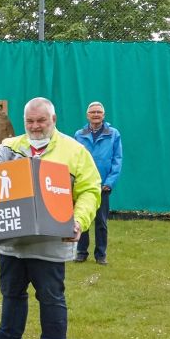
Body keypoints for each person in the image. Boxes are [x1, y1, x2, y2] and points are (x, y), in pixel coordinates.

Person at [0, 97, 101, 339]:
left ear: (54, 120)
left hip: (50, 243)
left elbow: (90, 190)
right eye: (30, 121)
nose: (35, 126)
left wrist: (78, 221)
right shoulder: (10, 147)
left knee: (51, 298)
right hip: (12, 242)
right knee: (11, 294)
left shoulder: (74, 151)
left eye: (41, 121)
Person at [73, 101, 121, 265]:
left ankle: (101, 255)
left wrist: (110, 182)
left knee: (101, 222)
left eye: (99, 112)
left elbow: (117, 160)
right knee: (81, 218)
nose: (95, 114)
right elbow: (74, 159)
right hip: (83, 184)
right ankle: (81, 252)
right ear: (87, 115)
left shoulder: (113, 134)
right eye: (92, 112)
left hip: (103, 186)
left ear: (103, 115)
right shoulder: (79, 135)